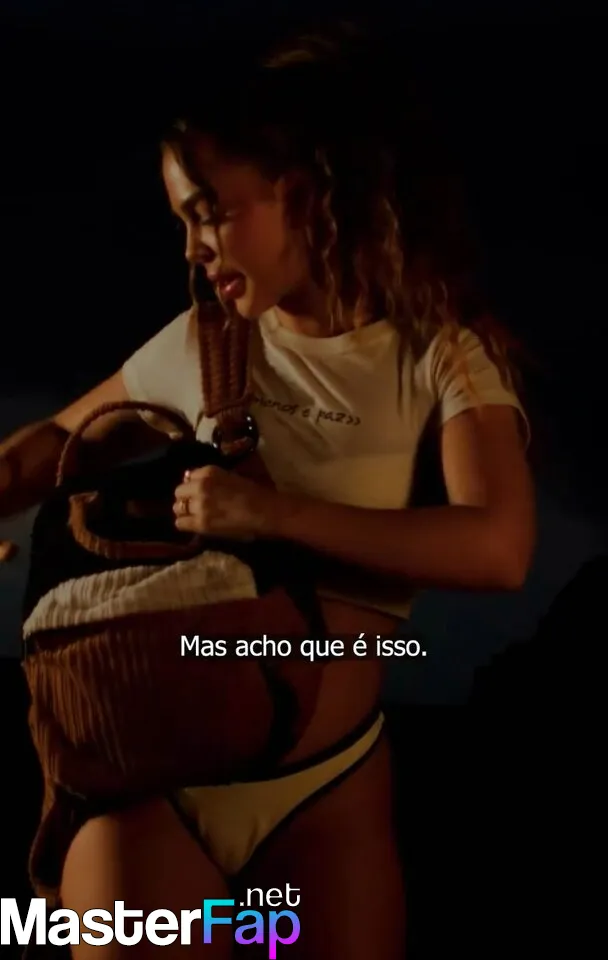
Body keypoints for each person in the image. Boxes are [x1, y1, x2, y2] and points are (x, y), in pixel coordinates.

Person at [0, 28, 535, 960]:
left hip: (331, 794)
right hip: (161, 796)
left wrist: (272, 513)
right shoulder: (205, 344)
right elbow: (49, 447)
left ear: (308, 191)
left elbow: (498, 548)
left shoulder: (440, 355)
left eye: (209, 212)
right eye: (181, 222)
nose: (193, 249)